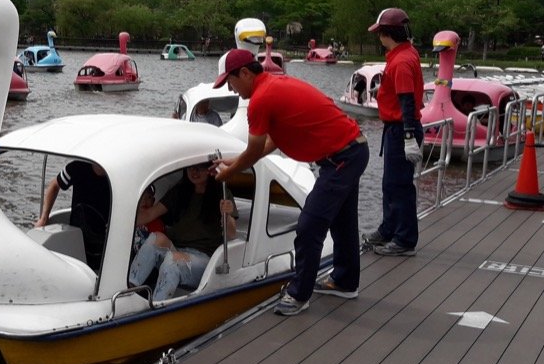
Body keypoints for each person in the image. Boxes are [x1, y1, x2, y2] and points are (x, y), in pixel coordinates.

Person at [210, 49, 368, 316]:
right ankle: (345, 281)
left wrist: (228, 172)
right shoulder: (272, 85)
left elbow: (253, 151)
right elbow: (272, 143)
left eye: (230, 81)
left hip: (341, 158)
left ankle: (298, 295)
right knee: (343, 222)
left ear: (245, 73)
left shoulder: (261, 99)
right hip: (352, 150)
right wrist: (234, 160)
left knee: (309, 227)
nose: (230, 88)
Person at [128, 163, 237, 301]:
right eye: (191, 167)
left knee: (173, 261)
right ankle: (129, 291)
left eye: (200, 167)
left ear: (210, 170)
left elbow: (232, 233)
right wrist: (119, 220)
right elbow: (149, 215)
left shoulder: (221, 193)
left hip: (204, 259)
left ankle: (157, 309)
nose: (194, 171)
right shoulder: (180, 191)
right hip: (177, 250)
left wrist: (226, 215)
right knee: (157, 237)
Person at [365, 8, 424, 257]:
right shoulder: (405, 54)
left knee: (399, 186)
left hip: (401, 130)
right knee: (391, 184)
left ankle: (404, 239)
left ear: (385, 34)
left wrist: (409, 137)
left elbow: (407, 101)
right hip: (398, 128)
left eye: (379, 34)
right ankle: (389, 229)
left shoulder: (400, 62)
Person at [35, 161, 111, 270]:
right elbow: (54, 185)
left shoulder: (115, 177)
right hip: (77, 238)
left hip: (105, 242)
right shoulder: (77, 167)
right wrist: (44, 218)